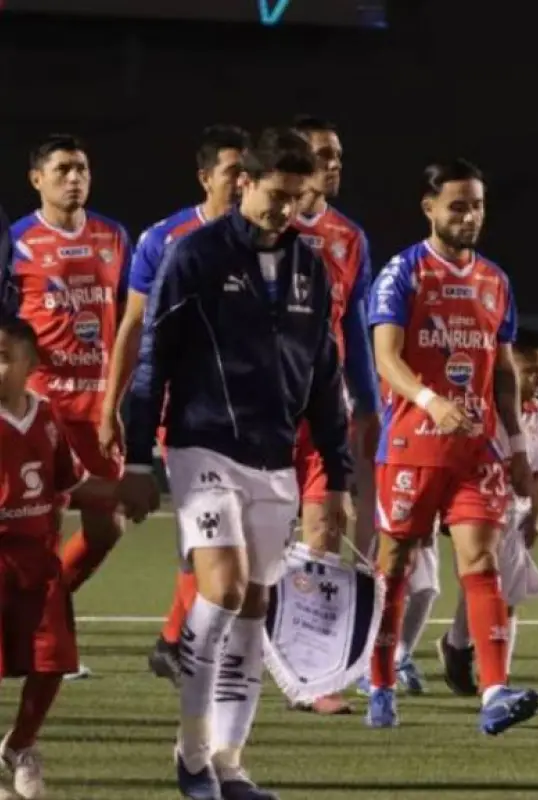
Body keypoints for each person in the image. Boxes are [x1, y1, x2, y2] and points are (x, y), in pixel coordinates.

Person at [119, 127, 352, 800]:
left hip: (274, 459)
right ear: (243, 183)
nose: (287, 209)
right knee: (222, 589)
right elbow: (153, 361)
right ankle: (192, 755)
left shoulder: (312, 267)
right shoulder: (194, 255)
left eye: (298, 197)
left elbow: (324, 377)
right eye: (276, 194)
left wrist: (337, 478)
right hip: (203, 444)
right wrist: (137, 458)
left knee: (254, 607)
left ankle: (230, 763)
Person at [365, 157, 538, 734]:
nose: (470, 217)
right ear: (429, 208)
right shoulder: (402, 273)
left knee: (482, 562)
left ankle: (494, 692)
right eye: (458, 206)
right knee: (395, 565)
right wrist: (429, 400)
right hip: (412, 447)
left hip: (476, 452)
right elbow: (385, 358)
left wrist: (517, 447)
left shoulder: (495, 281)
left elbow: (505, 374)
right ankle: (380, 681)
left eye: (478, 206)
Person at [95, 123, 250, 688]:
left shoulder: (266, 240)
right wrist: (111, 404)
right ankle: (183, 643)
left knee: (233, 534)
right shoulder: (164, 239)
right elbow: (134, 325)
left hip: (250, 412)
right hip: (184, 408)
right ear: (205, 177)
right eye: (233, 172)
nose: (242, 183)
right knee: (210, 529)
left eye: (248, 173)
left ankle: (174, 640)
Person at [3, 134, 132, 681]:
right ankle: (45, 639)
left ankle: (49, 611)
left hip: (99, 406)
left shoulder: (113, 236)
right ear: (37, 179)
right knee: (41, 532)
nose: (74, 178)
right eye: (61, 170)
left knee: (108, 528)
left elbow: (126, 322)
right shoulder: (18, 242)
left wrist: (117, 401)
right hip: (45, 407)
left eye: (81, 168)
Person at [281, 114, 380, 716]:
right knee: (261, 542)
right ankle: (227, 653)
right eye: (323, 154)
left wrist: (369, 403)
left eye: (338, 154)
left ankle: (313, 675)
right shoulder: (266, 227)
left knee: (325, 531)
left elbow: (355, 327)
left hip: (327, 407)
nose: (334, 164)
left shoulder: (350, 237)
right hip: (267, 408)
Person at [0, 317, 121, 800]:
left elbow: (73, 483)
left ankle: (20, 745)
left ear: (32, 363)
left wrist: (123, 492)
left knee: (54, 659)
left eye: (4, 356)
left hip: (40, 562)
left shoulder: (46, 417)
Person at [438, 326, 538, 686]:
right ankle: (477, 661)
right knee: (489, 582)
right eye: (529, 371)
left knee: (501, 589)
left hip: (515, 511)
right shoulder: (483, 408)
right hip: (480, 505)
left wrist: (537, 515)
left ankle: (469, 653)